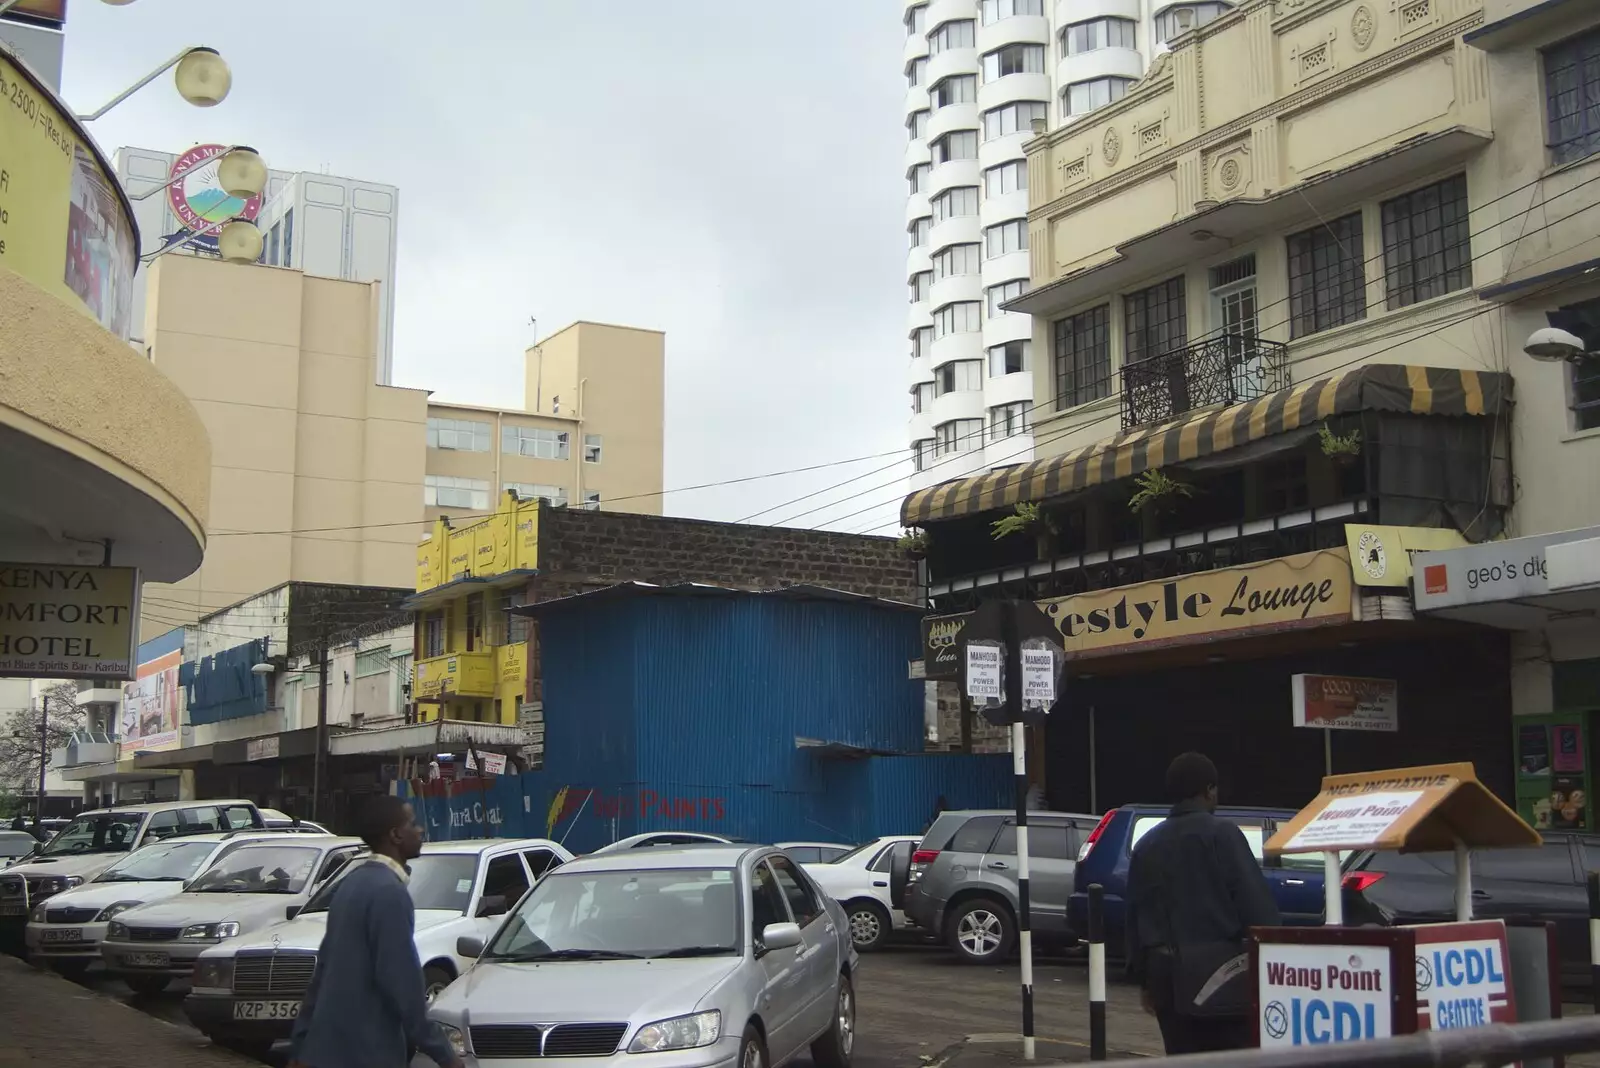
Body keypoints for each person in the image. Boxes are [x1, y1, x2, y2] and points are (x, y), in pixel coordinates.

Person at [288, 796, 462, 1068]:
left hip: (322, 1052)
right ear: (395, 835)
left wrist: (300, 1046)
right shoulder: (389, 893)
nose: (420, 830)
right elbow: (403, 985)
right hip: (368, 1053)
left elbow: (322, 973)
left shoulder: (351, 885)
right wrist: (445, 1055)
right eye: (412, 824)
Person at [1125, 752, 1280, 1055]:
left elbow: (1136, 916)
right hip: (1223, 976)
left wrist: (1144, 981)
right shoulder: (1223, 836)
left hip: (1165, 977)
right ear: (1209, 789)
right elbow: (1259, 910)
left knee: (1182, 1056)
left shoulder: (1147, 845)